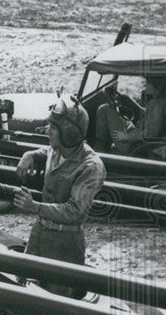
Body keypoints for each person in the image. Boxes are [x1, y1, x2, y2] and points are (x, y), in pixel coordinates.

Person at [14, 95, 106, 298]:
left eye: (53, 128)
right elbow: (48, 152)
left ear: (69, 132)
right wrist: (30, 155)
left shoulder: (91, 167)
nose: (48, 131)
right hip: (40, 233)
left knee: (57, 305)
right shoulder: (58, 149)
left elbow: (74, 211)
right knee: (23, 291)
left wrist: (34, 206)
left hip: (65, 244)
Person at [94, 75, 166, 157]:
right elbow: (149, 117)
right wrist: (129, 101)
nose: (145, 85)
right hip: (138, 135)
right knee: (117, 114)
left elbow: (151, 134)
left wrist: (127, 136)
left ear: (157, 87)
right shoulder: (165, 99)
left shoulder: (158, 106)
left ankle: (100, 150)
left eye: (148, 83)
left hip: (136, 145)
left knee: (104, 110)